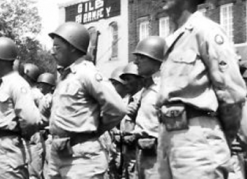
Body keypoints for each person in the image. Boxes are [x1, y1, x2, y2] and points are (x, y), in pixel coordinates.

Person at [155, 0, 247, 178]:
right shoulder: (173, 39)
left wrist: (218, 133)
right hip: (169, 137)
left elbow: (231, 93)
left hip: (197, 138)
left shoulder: (206, 31)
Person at [47, 22, 126, 178]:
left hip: (82, 158)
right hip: (59, 154)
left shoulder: (87, 73)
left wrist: (97, 129)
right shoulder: (65, 77)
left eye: (57, 47)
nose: (52, 52)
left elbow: (118, 108)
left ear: (72, 46)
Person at [0, 37, 42, 179]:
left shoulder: (17, 83)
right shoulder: (1, 84)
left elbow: (31, 120)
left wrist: (17, 136)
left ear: (2, 59)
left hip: (6, 151)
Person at [129, 36, 166, 178]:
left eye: (141, 57)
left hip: (158, 156)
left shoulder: (164, 87)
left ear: (156, 59)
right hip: (143, 153)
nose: (135, 62)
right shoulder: (146, 89)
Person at [21, 63, 47, 179]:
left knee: (33, 174)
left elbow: (43, 117)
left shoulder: (36, 94)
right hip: (22, 136)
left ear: (27, 76)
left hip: (33, 137)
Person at [119, 62, 142, 179]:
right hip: (126, 150)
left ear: (139, 80)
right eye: (124, 80)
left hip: (139, 150)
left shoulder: (144, 98)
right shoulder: (125, 100)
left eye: (129, 79)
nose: (125, 83)